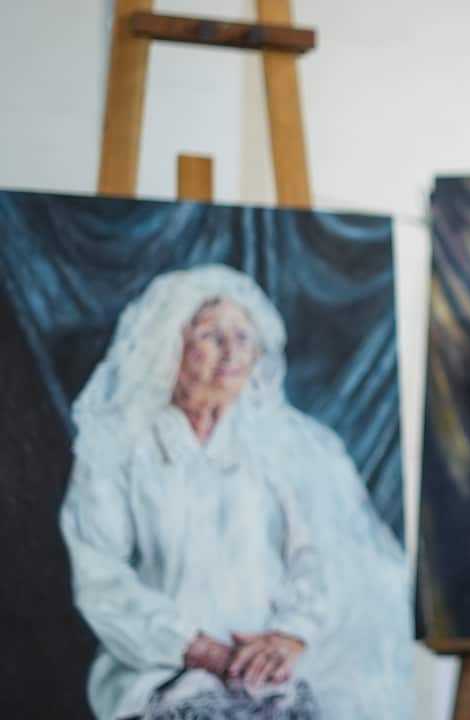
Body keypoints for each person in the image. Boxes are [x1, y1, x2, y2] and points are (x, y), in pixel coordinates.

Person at [60, 264, 412, 719]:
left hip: (276, 672)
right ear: (169, 343)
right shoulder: (119, 448)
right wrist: (198, 649)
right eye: (211, 336)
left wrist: (289, 634)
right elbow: (100, 576)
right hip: (158, 672)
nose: (231, 352)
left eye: (243, 337)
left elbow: (322, 555)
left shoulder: (289, 445)